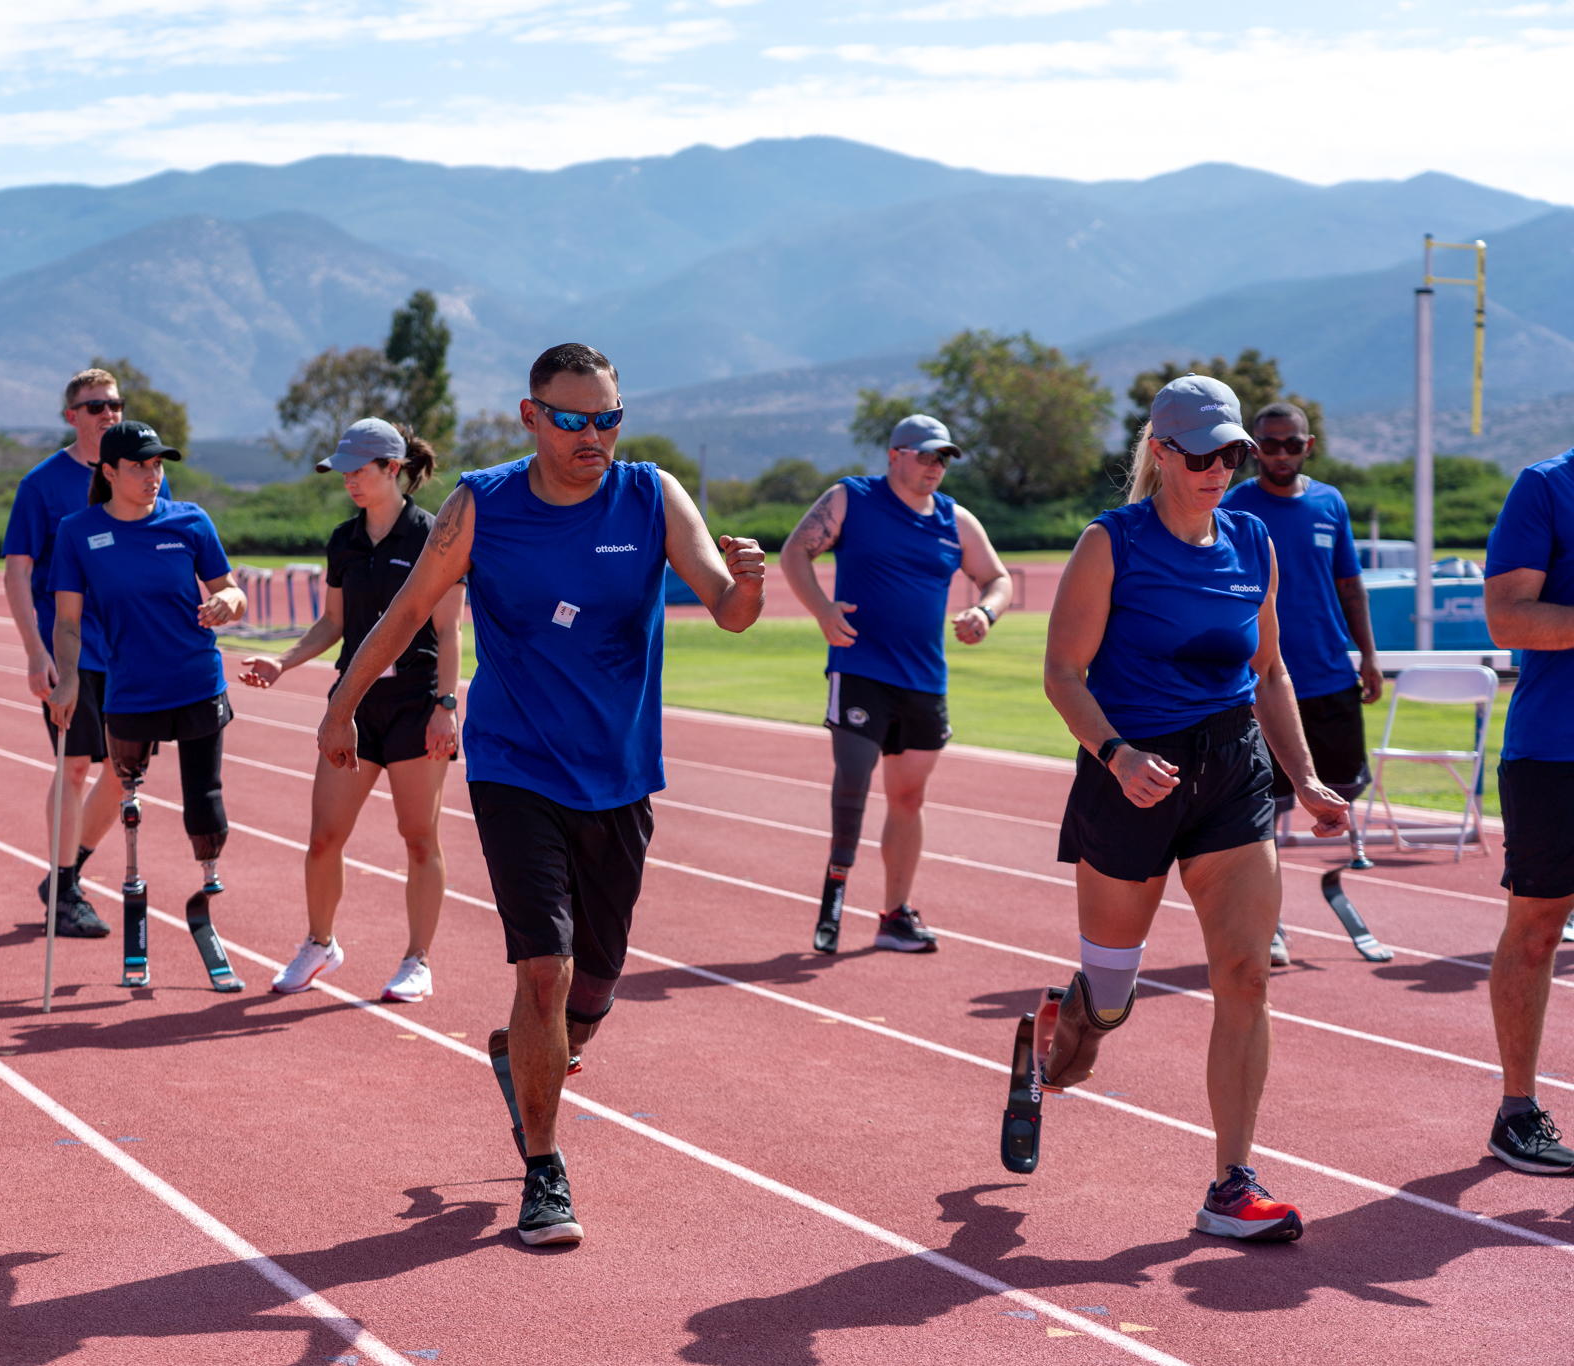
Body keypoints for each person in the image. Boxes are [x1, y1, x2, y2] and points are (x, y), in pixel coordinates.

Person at [319, 343, 765, 1247]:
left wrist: (748, 579)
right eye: (573, 419)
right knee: (545, 970)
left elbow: (728, 609)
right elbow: (405, 611)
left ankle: (527, 1054)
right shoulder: (482, 506)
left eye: (608, 418)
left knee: (591, 990)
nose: (593, 435)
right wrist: (342, 705)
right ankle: (545, 1170)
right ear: (532, 417)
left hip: (621, 773)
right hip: (515, 763)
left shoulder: (652, 496)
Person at [1027, 374, 1349, 1239]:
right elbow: (1062, 673)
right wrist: (1118, 755)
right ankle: (1070, 1032)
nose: (1219, 469)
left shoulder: (1254, 542)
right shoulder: (1112, 544)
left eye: (1231, 453)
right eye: (1201, 454)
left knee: (1245, 975)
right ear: (1161, 452)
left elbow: (1271, 672)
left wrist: (1307, 778)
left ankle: (1231, 1184)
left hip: (1231, 773)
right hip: (1128, 775)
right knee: (1110, 997)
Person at [240, 419, 462, 1003]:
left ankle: (417, 960)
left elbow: (449, 629)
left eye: (358, 471)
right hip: (354, 707)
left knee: (419, 838)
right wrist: (283, 662)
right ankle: (320, 943)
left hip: (417, 706)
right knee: (323, 838)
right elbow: (333, 622)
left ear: (394, 469)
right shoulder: (343, 540)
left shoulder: (435, 536)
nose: (348, 483)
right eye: (342, 473)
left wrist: (447, 704)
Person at [780, 413, 1011, 956]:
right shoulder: (851, 499)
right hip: (859, 669)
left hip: (925, 680)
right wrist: (821, 610)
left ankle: (893, 915)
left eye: (942, 458)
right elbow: (795, 552)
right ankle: (833, 899)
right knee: (853, 785)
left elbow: (996, 579)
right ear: (895, 454)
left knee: (908, 797)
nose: (935, 467)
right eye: (926, 455)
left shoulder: (956, 520)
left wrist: (984, 612)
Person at [48, 421, 245, 974]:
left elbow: (232, 590)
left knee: (205, 802)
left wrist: (230, 603)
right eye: (139, 465)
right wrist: (67, 678)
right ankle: (107, 882)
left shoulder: (190, 520)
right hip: (131, 689)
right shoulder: (78, 532)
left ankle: (207, 893)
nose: (153, 475)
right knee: (126, 798)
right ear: (108, 472)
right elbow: (67, 623)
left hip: (199, 682)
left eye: (158, 465)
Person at [4, 369, 165, 938]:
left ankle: (68, 875)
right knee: (75, 766)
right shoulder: (41, 484)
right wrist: (33, 651)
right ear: (71, 416)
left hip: (131, 652)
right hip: (70, 651)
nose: (107, 413)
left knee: (128, 775)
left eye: (114, 404)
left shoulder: (148, 477)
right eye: (94, 405)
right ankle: (67, 885)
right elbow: (18, 572)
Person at [1220, 403, 1383, 963]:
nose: (1281, 454)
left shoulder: (1330, 502)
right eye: (1270, 444)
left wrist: (1369, 654)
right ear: (1253, 446)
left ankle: (1321, 878)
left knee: (1344, 787)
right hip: (1259, 682)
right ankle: (1270, 923)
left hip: (1329, 674)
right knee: (1259, 807)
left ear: (1308, 445)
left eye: (1292, 444)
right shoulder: (1235, 504)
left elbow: (1351, 586)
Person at [1481, 446, 1574, 1175]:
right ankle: (1517, 1111)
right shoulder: (1546, 487)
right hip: (1556, 749)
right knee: (1538, 928)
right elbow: (1507, 618)